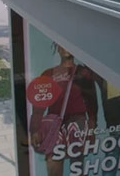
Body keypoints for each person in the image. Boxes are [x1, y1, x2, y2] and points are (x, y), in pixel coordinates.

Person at [29, 44, 98, 176]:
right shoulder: (49, 74)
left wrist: (92, 125)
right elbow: (39, 106)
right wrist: (35, 129)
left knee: (78, 163)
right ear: (57, 48)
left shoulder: (83, 73)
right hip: (54, 123)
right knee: (53, 162)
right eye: (61, 45)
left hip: (77, 122)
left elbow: (92, 102)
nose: (65, 48)